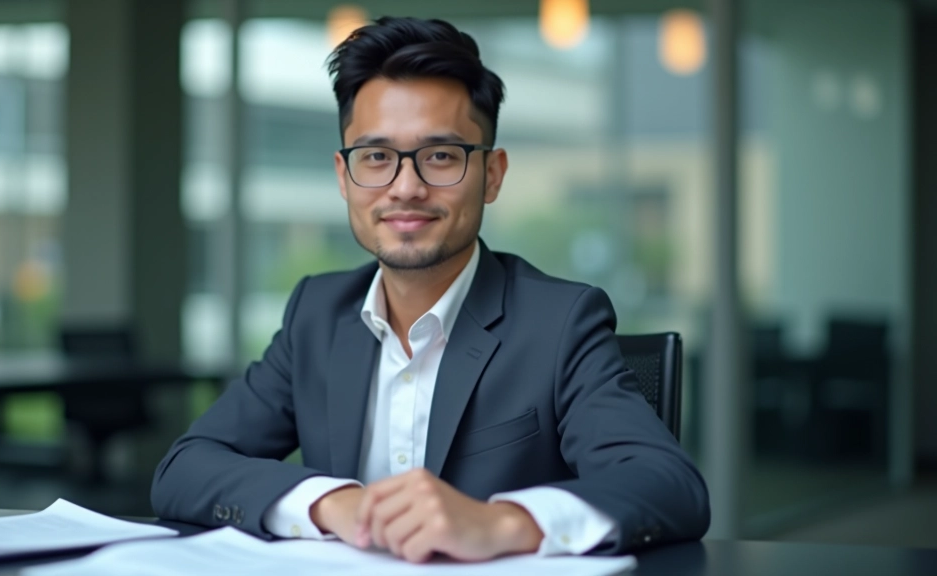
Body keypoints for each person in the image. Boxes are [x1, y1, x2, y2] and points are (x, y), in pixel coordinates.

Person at [151, 16, 710, 563]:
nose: (406, 188)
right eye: (376, 157)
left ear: (492, 175)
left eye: (441, 156)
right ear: (344, 177)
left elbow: (668, 484)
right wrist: (333, 503)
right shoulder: (316, 314)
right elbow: (187, 466)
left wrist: (500, 522)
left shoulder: (560, 322)